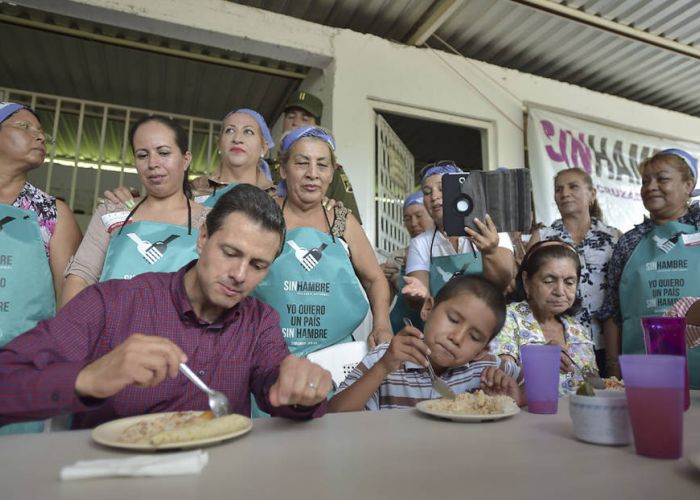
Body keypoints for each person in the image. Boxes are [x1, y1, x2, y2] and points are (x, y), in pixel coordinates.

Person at [0, 184, 332, 430]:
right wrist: (87, 379)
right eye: (230, 253)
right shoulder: (113, 303)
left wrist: (303, 389)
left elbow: (275, 381)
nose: (239, 275)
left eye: (258, 265)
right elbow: (7, 381)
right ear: (202, 239)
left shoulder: (259, 322)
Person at [253, 126, 393, 357]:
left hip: (334, 359)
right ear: (284, 169)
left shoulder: (342, 220)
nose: (312, 173)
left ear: (331, 174)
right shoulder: (261, 213)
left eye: (322, 164)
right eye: (301, 163)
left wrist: (382, 325)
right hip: (266, 353)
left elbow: (375, 278)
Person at [60, 115, 209, 307]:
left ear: (186, 159)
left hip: (178, 335)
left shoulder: (210, 220)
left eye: (163, 153)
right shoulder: (113, 210)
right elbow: (81, 276)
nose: (152, 163)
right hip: (111, 331)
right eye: (142, 155)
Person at [0, 102, 82, 434]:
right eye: (24, 127)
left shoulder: (52, 213)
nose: (39, 137)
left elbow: (70, 301)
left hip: (21, 367)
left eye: (41, 133)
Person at [328, 275, 522, 412]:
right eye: (453, 320)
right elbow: (335, 413)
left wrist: (514, 397)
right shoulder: (386, 357)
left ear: (483, 350)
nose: (457, 337)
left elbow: (540, 393)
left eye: (474, 337)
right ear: (428, 309)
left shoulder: (489, 369)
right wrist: (383, 368)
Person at [600, 148, 700, 386]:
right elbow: (612, 311)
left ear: (688, 184)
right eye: (645, 181)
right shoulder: (628, 242)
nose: (651, 186)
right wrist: (614, 368)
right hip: (641, 372)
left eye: (662, 179)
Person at [528, 168, 621, 375]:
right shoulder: (542, 237)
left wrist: (614, 360)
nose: (564, 193)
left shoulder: (613, 238)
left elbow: (618, 298)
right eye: (559, 189)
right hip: (556, 342)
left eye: (573, 186)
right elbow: (530, 292)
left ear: (592, 194)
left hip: (604, 342)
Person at [490, 240, 597, 396]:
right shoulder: (506, 318)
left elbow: (594, 386)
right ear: (527, 281)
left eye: (569, 282)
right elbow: (500, 374)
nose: (560, 291)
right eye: (549, 281)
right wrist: (540, 359)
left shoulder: (578, 330)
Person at [404, 161, 516, 301]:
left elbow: (503, 284)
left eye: (442, 188)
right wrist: (418, 294)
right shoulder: (420, 243)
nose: (434, 197)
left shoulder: (491, 231)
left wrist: (490, 253)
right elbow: (417, 297)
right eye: (427, 192)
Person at [270, 90, 362, 223]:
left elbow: (351, 223)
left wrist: (333, 212)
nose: (296, 123)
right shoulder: (266, 167)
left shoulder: (334, 172)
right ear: (284, 170)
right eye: (290, 117)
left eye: (305, 119)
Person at [190, 108, 275, 206]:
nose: (237, 139)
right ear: (219, 144)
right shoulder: (196, 188)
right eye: (230, 130)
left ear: (263, 148)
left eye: (248, 131)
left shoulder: (276, 197)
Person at [380, 191, 434, 333]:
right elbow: (384, 303)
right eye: (407, 218)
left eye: (419, 216)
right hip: (401, 332)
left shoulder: (447, 251)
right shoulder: (397, 257)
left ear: (433, 214)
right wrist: (379, 277)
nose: (413, 223)